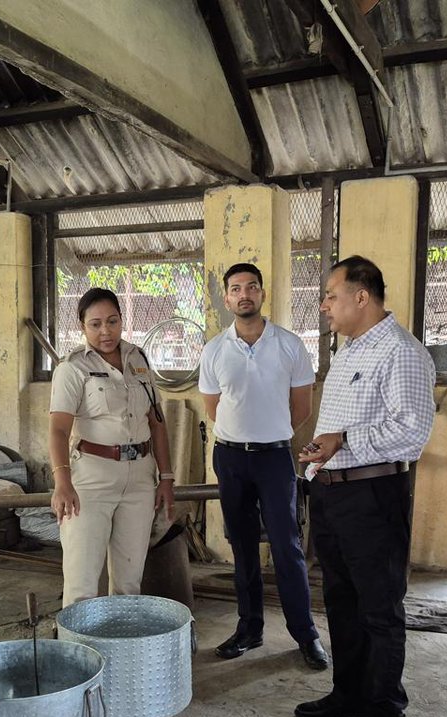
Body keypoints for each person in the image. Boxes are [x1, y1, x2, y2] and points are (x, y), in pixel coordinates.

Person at [294, 255, 435, 717]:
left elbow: (412, 432)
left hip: (373, 496)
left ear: (361, 297)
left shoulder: (401, 352)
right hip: (333, 493)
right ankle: (349, 694)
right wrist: (318, 463)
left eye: (332, 295)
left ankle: (385, 715)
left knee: (378, 607)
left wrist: (343, 441)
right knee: (341, 600)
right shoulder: (351, 350)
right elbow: (336, 431)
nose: (324, 304)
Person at [199, 262, 329, 670]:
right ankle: (249, 629)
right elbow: (213, 406)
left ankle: (305, 634)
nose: (244, 295)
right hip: (231, 457)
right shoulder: (215, 349)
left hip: (274, 457)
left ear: (262, 294)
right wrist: (243, 434)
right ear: (226, 299)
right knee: (241, 547)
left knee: (287, 547)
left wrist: (270, 432)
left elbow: (302, 406)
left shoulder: (289, 344)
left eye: (251, 287)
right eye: (236, 289)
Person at [48, 287, 175, 606]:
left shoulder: (138, 359)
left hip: (140, 482)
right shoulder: (72, 367)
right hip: (91, 481)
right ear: (82, 326)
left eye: (112, 321)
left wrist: (167, 478)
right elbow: (58, 430)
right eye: (95, 324)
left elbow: (157, 422)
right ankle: (77, 655)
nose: (105, 331)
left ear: (121, 320)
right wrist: (62, 483)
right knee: (82, 583)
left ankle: (121, 653)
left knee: (130, 583)